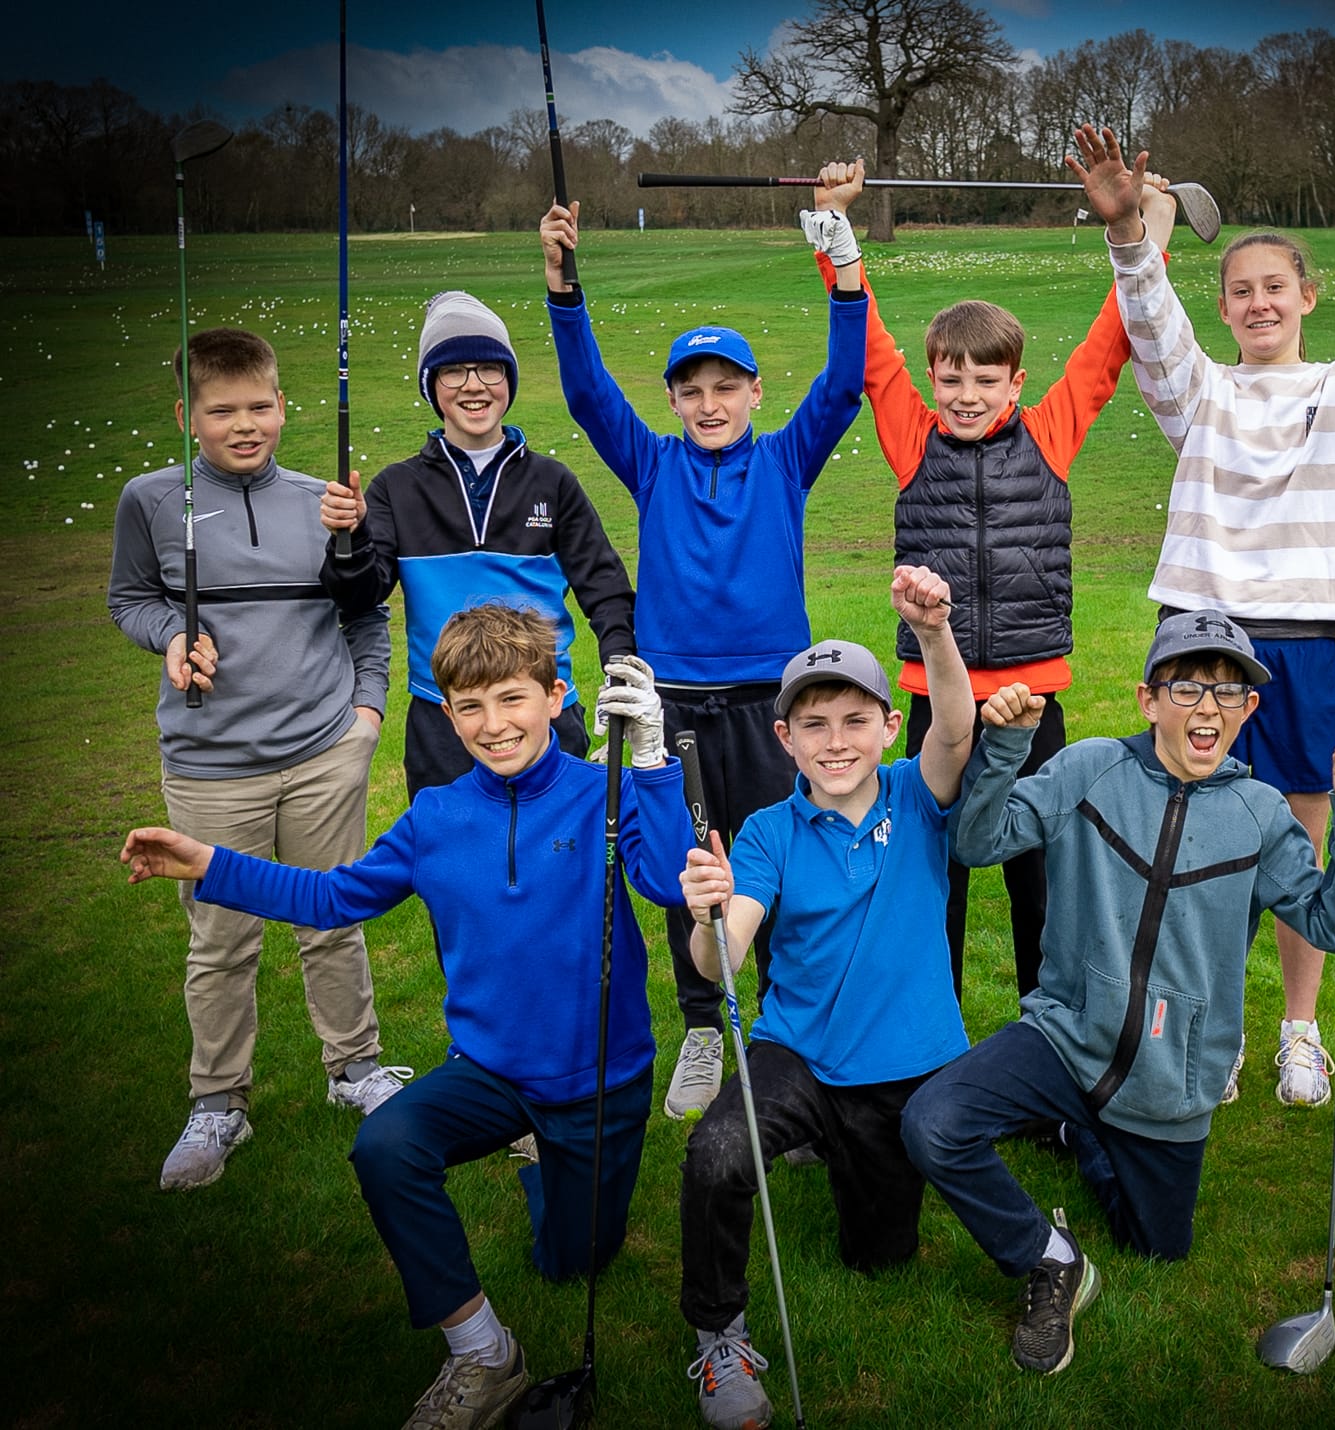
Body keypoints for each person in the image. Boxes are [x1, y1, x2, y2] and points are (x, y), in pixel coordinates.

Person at [121, 603, 694, 1429]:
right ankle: (483, 1353)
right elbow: (330, 895)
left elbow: (675, 885)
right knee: (385, 1145)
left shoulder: (600, 792)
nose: (493, 726)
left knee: (570, 1260)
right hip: (489, 1072)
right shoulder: (435, 817)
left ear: (557, 695)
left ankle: (543, 1164)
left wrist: (651, 766)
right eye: (470, 707)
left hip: (598, 1083)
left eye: (512, 700)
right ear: (447, 713)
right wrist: (208, 862)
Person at [1072, 124, 1335, 1108]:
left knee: (1295, 846)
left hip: (1301, 639)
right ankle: (1209, 1024)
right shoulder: (1200, 395)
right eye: (1239, 290)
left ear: (1307, 297)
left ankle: (1296, 1029)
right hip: (1199, 637)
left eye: (1274, 287)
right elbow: (1152, 330)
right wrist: (1127, 238)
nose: (1257, 302)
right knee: (1187, 842)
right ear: (1226, 305)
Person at [900, 611, 1335, 1375]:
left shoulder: (1260, 815)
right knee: (933, 1123)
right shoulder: (1090, 767)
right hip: (1065, 1036)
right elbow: (977, 841)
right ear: (1148, 699)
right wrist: (1009, 747)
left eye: (1229, 695)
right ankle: (1050, 1258)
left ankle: (1081, 1134)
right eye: (1188, 687)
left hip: (1172, 1077)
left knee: (1156, 1247)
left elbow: (1334, 922)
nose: (1209, 709)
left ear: (1250, 712)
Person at [799, 134, 1177, 1008]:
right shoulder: (911, 435)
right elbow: (871, 349)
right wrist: (835, 230)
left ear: (1017, 383)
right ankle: (926, 1042)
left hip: (1032, 702)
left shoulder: (1050, 432)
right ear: (933, 380)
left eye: (986, 379)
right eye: (952, 378)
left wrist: (1142, 230)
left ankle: (1045, 1046)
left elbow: (1110, 343)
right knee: (933, 879)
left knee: (1040, 879)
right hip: (938, 699)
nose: (967, 394)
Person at [540, 175, 869, 1123]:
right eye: (693, 388)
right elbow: (586, 393)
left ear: (756, 393)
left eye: (728, 386)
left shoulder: (785, 457)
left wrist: (845, 272)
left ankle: (778, 1035)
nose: (710, 401)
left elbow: (844, 382)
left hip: (774, 703)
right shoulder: (651, 461)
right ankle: (698, 1024)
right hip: (675, 704)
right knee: (694, 869)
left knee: (774, 863)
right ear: (676, 398)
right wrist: (566, 291)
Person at [109, 326, 407, 1192]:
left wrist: (365, 718)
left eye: (260, 407)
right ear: (186, 415)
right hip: (209, 764)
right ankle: (218, 1102)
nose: (245, 425)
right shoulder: (151, 501)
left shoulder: (325, 501)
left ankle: (353, 1067)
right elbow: (129, 598)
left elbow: (367, 614)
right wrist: (171, 634)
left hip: (323, 750)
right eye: (221, 410)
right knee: (221, 938)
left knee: (333, 918)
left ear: (283, 405)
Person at [675, 567, 973, 1430]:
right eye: (814, 725)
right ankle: (717, 1333)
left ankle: (836, 1156)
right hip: (797, 1055)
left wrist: (935, 633)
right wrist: (708, 916)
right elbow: (722, 958)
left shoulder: (922, 795)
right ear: (785, 737)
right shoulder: (767, 831)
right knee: (720, 1152)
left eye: (854, 721)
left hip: (907, 1068)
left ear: (888, 727)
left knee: (880, 1259)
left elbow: (953, 728)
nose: (835, 742)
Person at [319, 289, 637, 801]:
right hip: (445, 719)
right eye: (454, 371)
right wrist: (350, 537)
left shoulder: (552, 481)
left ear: (508, 379)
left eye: (490, 369)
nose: (474, 386)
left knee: (561, 864)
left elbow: (605, 587)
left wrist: (621, 666)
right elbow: (358, 595)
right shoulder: (395, 489)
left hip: (544, 710)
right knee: (455, 869)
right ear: (431, 384)